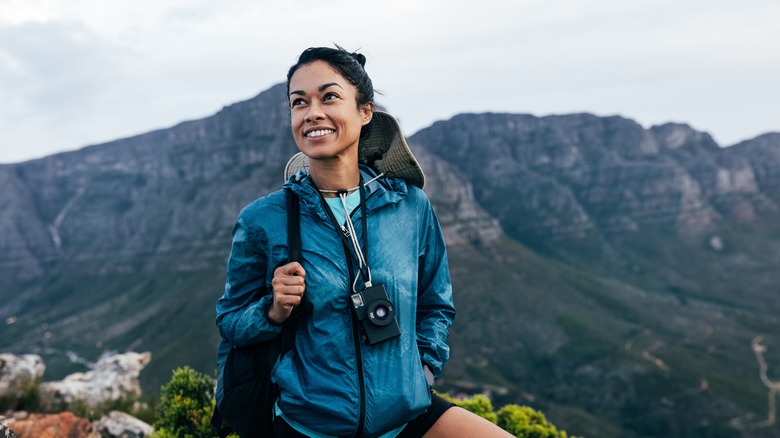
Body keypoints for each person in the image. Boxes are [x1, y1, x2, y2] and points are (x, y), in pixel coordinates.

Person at [216, 46, 512, 437]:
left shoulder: (409, 205)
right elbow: (230, 320)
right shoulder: (263, 219)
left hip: (406, 415)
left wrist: (422, 371)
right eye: (299, 102)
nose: (312, 113)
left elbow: (435, 303)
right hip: (311, 425)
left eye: (330, 96)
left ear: (365, 111)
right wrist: (273, 311)